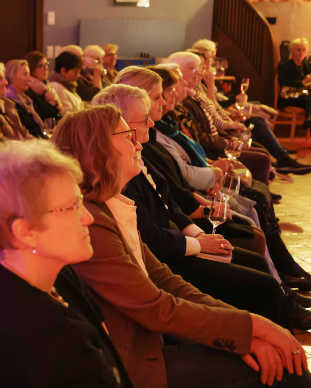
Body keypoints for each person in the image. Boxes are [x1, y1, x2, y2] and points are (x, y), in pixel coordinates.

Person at [52, 105, 311, 388]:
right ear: (97, 149)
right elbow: (155, 306)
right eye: (127, 136)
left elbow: (165, 280)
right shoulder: (91, 219)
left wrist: (247, 325)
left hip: (154, 336)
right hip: (137, 360)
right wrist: (250, 330)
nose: (139, 141)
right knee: (290, 373)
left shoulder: (109, 207)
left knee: (278, 353)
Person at [95, 83, 305, 330]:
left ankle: (283, 303)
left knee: (253, 241)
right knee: (259, 273)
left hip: (175, 242)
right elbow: (153, 246)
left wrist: (198, 233)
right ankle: (281, 327)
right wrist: (197, 243)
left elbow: (169, 204)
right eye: (143, 120)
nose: (151, 121)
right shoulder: (121, 181)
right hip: (173, 254)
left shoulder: (139, 156)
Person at [0, 140, 133, 388]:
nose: (87, 217)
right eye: (73, 207)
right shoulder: (49, 337)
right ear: (25, 231)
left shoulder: (50, 275)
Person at [167, 51, 311, 175]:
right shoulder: (185, 102)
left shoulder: (195, 93)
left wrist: (230, 125)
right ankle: (265, 175)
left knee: (259, 137)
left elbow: (213, 112)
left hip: (218, 138)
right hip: (211, 151)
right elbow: (201, 138)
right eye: (194, 68)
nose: (200, 71)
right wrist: (230, 139)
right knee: (260, 153)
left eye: (201, 67)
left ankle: (275, 167)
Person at [5, 59, 46, 138]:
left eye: (29, 75)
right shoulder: (9, 103)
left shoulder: (27, 100)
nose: (30, 79)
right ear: (11, 76)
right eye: (25, 74)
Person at [278, 37, 311, 128]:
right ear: (291, 51)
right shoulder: (284, 65)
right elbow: (282, 82)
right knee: (309, 99)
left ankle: (309, 119)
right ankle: (309, 118)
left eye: (304, 50)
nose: (302, 53)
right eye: (298, 50)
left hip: (305, 96)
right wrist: (303, 82)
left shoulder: (308, 65)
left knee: (308, 98)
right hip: (289, 96)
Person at [22, 51, 62, 120]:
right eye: (41, 66)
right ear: (31, 68)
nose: (46, 69)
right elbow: (42, 115)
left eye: (46, 64)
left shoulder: (46, 86)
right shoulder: (28, 90)